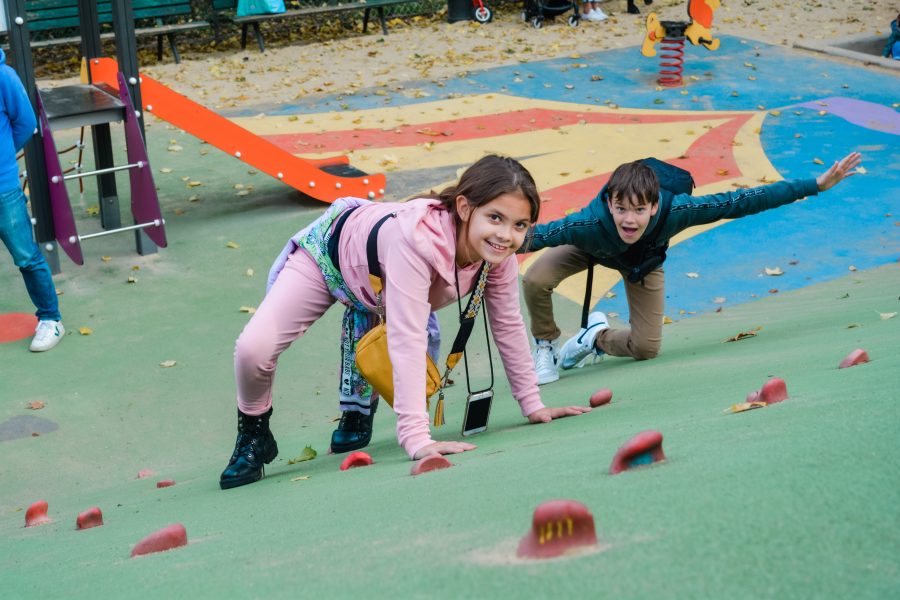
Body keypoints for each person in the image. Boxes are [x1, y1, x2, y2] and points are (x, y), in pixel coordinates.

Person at [220, 155, 591, 490]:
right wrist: (417, 439)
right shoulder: (416, 241)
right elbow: (407, 337)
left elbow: (507, 323)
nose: (506, 235)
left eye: (520, 224)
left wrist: (532, 404)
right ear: (464, 207)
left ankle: (356, 414)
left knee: (392, 367)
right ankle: (253, 433)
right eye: (495, 217)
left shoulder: (498, 253)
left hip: (382, 281)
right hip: (330, 259)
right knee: (254, 349)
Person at [522, 152, 863, 385]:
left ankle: (593, 338)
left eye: (639, 210)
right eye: (621, 208)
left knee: (646, 349)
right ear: (609, 202)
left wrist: (814, 185)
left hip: (642, 264)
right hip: (593, 246)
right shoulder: (589, 222)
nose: (629, 218)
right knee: (537, 277)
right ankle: (546, 345)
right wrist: (478, 242)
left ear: (654, 206)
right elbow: (533, 236)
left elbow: (745, 201)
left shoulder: (678, 211)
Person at [0, 48, 64, 352]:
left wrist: (3, 159)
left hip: (3, 187)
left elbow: (25, 122)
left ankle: (51, 319)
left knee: (25, 254)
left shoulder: (4, 76)